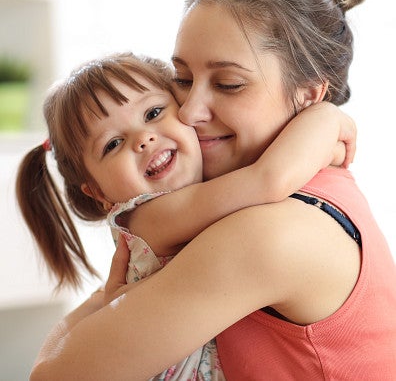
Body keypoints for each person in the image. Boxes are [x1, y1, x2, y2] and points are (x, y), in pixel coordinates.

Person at [28, 0, 396, 380]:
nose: (189, 111)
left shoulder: (268, 233)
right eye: (181, 80)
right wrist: (326, 121)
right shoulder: (311, 188)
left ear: (310, 95)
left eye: (228, 84)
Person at [17, 51, 353, 381]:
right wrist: (325, 121)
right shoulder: (148, 215)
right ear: (99, 193)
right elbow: (267, 179)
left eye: (153, 112)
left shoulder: (212, 195)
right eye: (113, 144)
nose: (143, 139)